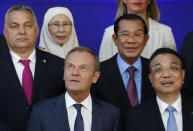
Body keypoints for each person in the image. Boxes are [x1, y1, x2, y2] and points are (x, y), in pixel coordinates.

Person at [0, 5, 65, 131]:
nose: (22, 31)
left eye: (28, 25)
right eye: (14, 26)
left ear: (36, 30)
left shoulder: (59, 65)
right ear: (5, 33)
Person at [27, 46, 121, 131]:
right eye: (70, 67)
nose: (75, 73)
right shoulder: (41, 112)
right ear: (64, 74)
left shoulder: (111, 114)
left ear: (95, 77)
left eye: (83, 68)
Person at [93, 14, 155, 131]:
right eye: (124, 35)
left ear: (146, 39)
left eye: (137, 35)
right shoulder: (98, 73)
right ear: (115, 39)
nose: (131, 41)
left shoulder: (155, 70)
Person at [128, 48, 193, 131]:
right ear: (150, 78)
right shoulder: (135, 117)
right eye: (158, 69)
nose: (166, 74)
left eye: (173, 67)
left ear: (183, 74)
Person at [99, 0, 176, 62]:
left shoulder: (165, 32)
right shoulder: (110, 32)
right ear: (124, 0)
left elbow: (172, 66)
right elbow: (104, 69)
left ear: (149, 1)